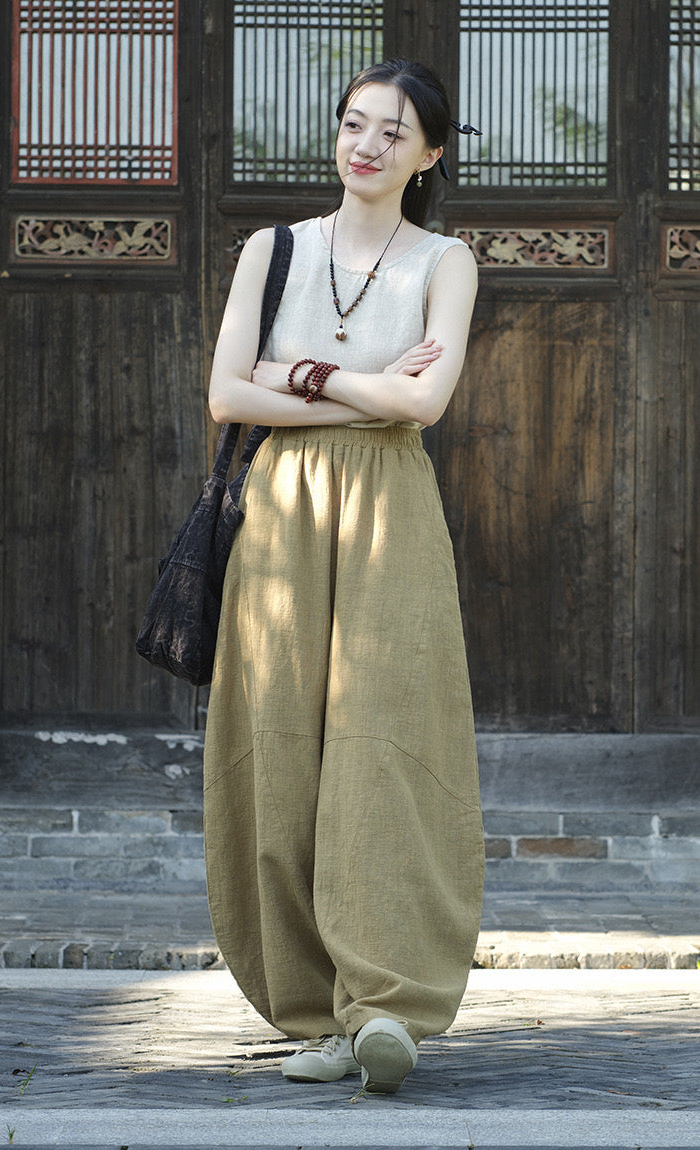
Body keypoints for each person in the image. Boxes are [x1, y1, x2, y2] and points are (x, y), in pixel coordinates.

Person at [204, 58, 485, 1095]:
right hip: (282, 511)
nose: (366, 145)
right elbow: (229, 394)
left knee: (384, 747)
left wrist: (302, 375)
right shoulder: (272, 251)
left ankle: (385, 1008)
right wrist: (365, 386)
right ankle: (315, 1012)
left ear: (429, 155)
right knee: (278, 748)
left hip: (390, 513)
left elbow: (425, 405)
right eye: (355, 123)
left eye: (393, 132)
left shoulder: (445, 262)